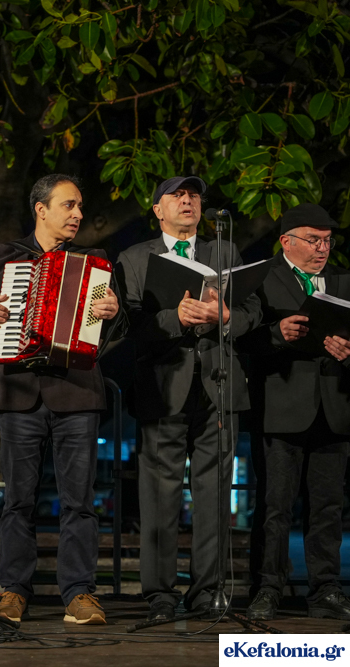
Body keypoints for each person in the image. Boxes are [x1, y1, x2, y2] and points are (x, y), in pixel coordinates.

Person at [0, 174, 122, 626]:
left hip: (77, 391)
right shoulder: (5, 255)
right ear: (41, 209)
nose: (78, 214)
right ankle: (14, 592)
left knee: (80, 501)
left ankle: (79, 594)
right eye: (69, 205)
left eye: (80, 206)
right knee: (18, 500)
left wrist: (114, 313)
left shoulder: (94, 262)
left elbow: (114, 327)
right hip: (20, 392)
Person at [115, 175, 261, 622]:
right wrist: (174, 318)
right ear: (157, 209)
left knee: (214, 494)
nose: (187, 201)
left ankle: (207, 592)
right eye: (177, 196)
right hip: (163, 389)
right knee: (159, 497)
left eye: (194, 195)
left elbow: (253, 311)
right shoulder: (134, 258)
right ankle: (160, 594)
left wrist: (226, 316)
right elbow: (127, 326)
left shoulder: (224, 252)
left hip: (218, 386)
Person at [243, 203, 350, 621]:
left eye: (327, 241)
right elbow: (241, 339)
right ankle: (267, 587)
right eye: (313, 240)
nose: (322, 248)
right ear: (286, 241)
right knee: (275, 505)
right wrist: (276, 333)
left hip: (334, 405)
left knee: (328, 507)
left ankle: (326, 589)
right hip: (281, 406)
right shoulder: (262, 277)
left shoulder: (342, 280)